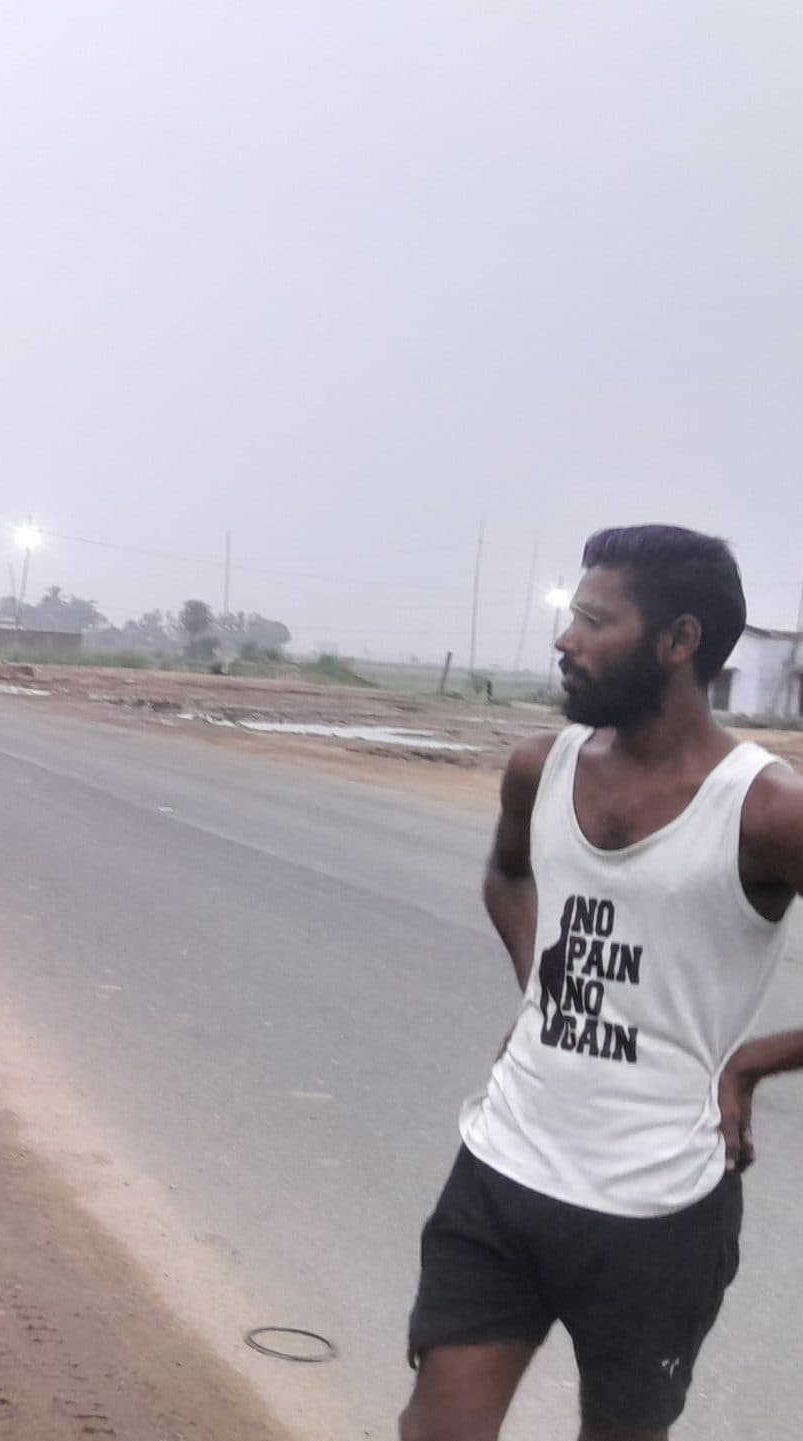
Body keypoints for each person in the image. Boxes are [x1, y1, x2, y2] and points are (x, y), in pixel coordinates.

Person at [399, 526, 802, 1441]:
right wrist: (539, 981)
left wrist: (750, 1065)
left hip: (660, 1205)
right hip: (504, 1166)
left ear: (678, 640)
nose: (564, 639)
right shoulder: (541, 769)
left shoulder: (767, 808)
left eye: (592, 619)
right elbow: (509, 874)